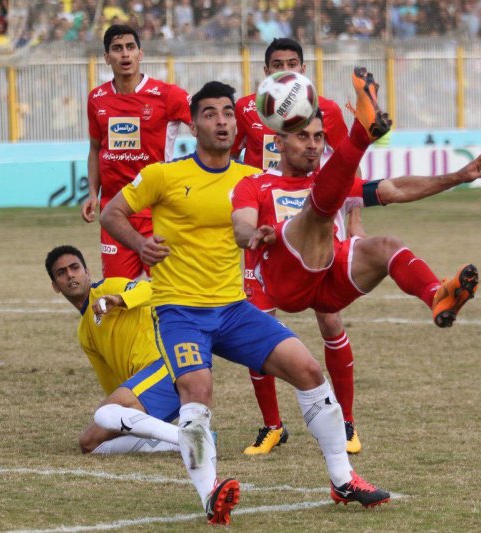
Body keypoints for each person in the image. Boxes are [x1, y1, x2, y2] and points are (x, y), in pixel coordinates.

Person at [101, 76, 391, 527]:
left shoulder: (253, 179)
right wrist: (139, 244)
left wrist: (274, 234)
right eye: (209, 113)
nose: (221, 121)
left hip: (234, 309)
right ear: (193, 124)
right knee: (197, 394)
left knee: (309, 371)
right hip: (180, 311)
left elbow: (297, 213)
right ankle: (209, 494)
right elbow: (110, 211)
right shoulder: (164, 175)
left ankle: (343, 478)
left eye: (227, 113)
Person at [231, 68, 481, 331]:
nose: (313, 145)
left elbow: (396, 189)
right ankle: (361, 133)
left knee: (387, 245)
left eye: (319, 137)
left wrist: (457, 176)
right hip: (286, 283)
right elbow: (241, 227)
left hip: (328, 282)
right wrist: (255, 234)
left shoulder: (329, 184)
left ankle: (437, 297)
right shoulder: (255, 184)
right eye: (303, 136)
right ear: (278, 143)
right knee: (317, 212)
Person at [231, 37, 364, 456]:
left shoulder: (327, 111)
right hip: (265, 233)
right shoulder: (249, 110)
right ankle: (272, 426)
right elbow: (234, 160)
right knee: (257, 329)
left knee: (330, 322)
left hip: (316, 228)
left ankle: (346, 422)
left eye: (292, 63)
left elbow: (348, 169)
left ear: (304, 68)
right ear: (265, 68)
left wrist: (355, 226)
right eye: (276, 63)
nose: (284, 68)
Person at [45, 244, 182, 455]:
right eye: (61, 273)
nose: (71, 275)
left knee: (105, 414)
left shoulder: (109, 288)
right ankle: (178, 440)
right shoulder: (84, 333)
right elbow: (113, 385)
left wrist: (119, 300)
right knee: (89, 442)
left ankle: (190, 438)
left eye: (75, 268)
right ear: (56, 285)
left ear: (87, 272)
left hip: (168, 369)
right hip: (145, 392)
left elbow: (152, 290)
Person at [81, 24, 191, 279]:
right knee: (117, 292)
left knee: (166, 295)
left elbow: (203, 123)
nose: (125, 55)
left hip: (157, 210)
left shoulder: (167, 95)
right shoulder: (97, 98)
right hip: (115, 213)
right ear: (107, 57)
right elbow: (95, 148)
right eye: (117, 49)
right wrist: (92, 194)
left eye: (130, 47)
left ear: (140, 53)